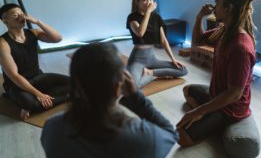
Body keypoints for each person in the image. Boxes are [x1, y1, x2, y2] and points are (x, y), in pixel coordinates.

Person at [41, 43, 178, 158]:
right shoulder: (143, 138)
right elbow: (171, 134)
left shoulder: (52, 129)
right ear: (118, 86)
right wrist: (136, 97)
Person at [176, 0, 261, 147]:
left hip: (231, 107)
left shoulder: (240, 47)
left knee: (181, 136)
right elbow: (197, 42)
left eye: (217, 4)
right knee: (187, 91)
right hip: (216, 95)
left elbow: (234, 94)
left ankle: (217, 121)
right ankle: (211, 117)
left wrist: (198, 111)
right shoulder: (224, 31)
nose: (214, 7)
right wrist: (199, 17)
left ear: (228, 8)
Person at [0, 3, 70, 119]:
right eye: (15, 15)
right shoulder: (3, 43)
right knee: (31, 104)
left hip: (38, 76)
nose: (21, 17)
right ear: (5, 20)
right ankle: (67, 97)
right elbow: (14, 75)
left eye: (21, 14)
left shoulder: (33, 33)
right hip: (16, 85)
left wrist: (38, 22)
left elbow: (58, 38)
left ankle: (35, 101)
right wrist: (39, 94)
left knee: (73, 82)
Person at [126, 0, 187, 88]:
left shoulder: (156, 17)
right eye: (145, 0)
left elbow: (163, 40)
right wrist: (148, 13)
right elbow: (140, 33)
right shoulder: (132, 17)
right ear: (137, 2)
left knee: (183, 70)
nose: (149, 2)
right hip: (137, 59)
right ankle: (153, 75)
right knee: (133, 86)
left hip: (152, 58)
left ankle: (150, 73)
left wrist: (173, 59)